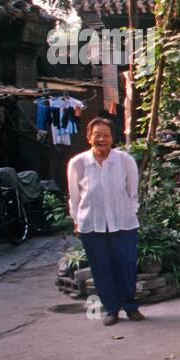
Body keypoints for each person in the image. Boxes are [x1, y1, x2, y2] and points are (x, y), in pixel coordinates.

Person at [68, 117, 144, 326]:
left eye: (106, 135)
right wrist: (76, 220)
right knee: (102, 268)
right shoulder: (78, 163)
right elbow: (74, 196)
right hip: (92, 225)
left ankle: (131, 306)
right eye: (97, 135)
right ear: (89, 137)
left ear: (112, 138)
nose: (101, 139)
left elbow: (132, 192)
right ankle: (111, 309)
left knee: (127, 266)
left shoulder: (125, 161)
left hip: (124, 223)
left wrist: (130, 211)